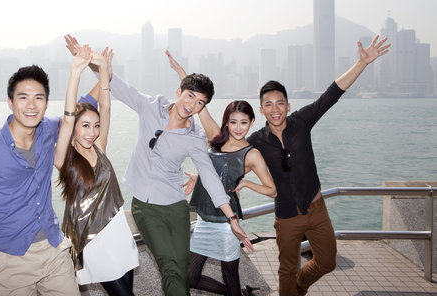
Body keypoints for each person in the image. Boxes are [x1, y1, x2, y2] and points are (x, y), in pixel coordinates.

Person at [64, 36, 254, 296]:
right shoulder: (150, 105)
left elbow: (209, 177)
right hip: (144, 205)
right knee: (169, 266)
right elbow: (115, 86)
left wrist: (231, 217)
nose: (192, 105)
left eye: (200, 103)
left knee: (183, 270)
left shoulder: (195, 138)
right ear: (179, 91)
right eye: (190, 96)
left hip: (175, 206)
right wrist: (91, 62)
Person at [246, 35, 390, 296]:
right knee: (286, 270)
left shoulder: (301, 121)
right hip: (287, 217)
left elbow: (332, 94)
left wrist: (362, 63)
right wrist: (200, 179)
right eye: (268, 104)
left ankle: (300, 286)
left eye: (280, 103)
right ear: (262, 110)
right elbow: (232, 163)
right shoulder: (256, 141)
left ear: (288, 105)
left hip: (316, 210)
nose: (275, 109)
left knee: (327, 262)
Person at [0, 64, 96, 295]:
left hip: (54, 252)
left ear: (46, 103)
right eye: (23, 97)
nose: (31, 105)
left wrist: (104, 72)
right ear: (10, 102)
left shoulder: (48, 131)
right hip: (8, 261)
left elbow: (81, 107)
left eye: (39, 98)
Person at [168, 52, 277, 296]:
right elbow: (198, 107)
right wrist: (182, 74)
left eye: (244, 122)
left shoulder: (252, 154)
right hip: (206, 220)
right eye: (233, 122)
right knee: (191, 277)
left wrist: (248, 183)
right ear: (226, 122)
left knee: (230, 277)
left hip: (228, 224)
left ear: (251, 123)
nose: (238, 128)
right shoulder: (215, 139)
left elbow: (272, 190)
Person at [55, 40, 139, 295]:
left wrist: (103, 66)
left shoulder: (100, 148)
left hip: (117, 231)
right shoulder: (64, 159)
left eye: (96, 125)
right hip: (92, 240)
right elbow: (68, 116)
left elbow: (106, 104)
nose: (92, 132)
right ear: (72, 130)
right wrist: (75, 73)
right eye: (85, 126)